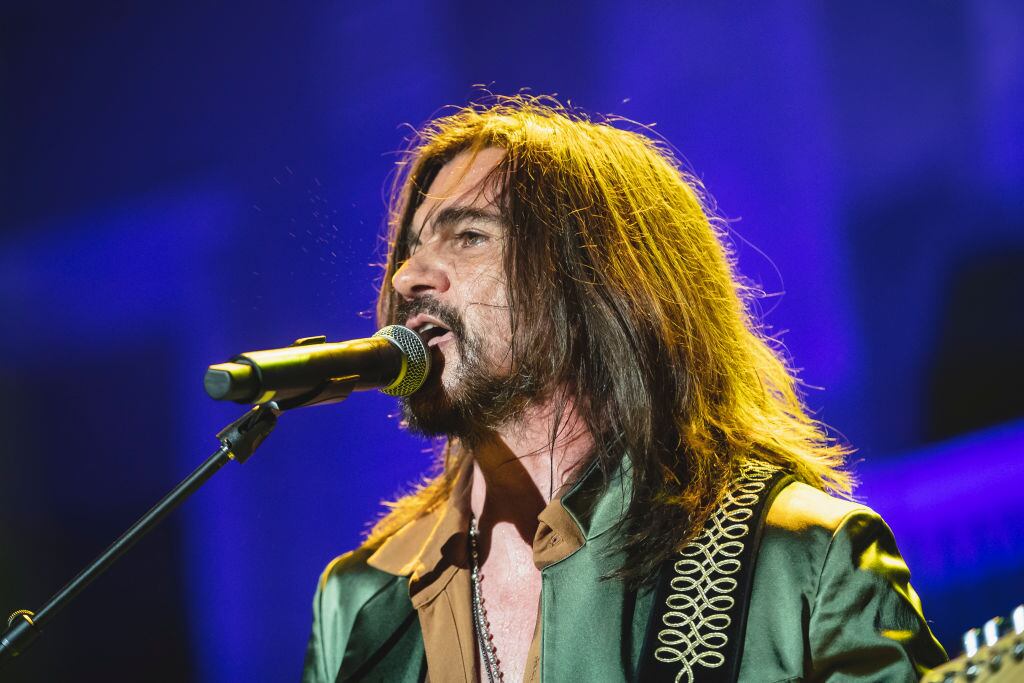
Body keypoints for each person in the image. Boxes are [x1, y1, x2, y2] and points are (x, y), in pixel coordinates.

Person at [302, 96, 946, 682]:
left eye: (469, 236)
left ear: (597, 286)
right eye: (410, 248)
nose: (410, 275)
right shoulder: (358, 600)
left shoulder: (795, 558)